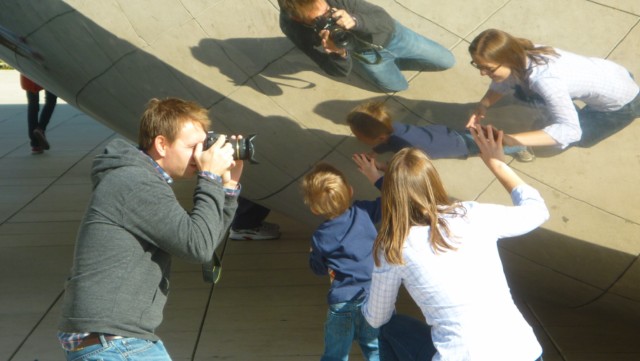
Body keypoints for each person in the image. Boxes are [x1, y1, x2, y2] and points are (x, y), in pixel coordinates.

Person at [57, 98, 243, 360]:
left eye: (203, 145)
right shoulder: (135, 183)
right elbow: (197, 247)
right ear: (161, 144)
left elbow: (204, 238)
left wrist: (228, 188)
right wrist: (209, 178)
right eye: (192, 146)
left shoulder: (137, 178)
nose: (200, 155)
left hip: (115, 341)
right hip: (115, 344)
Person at [362, 124, 550, 360]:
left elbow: (376, 317)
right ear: (435, 183)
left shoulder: (394, 246)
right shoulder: (472, 215)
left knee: (386, 329)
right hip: (524, 352)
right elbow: (537, 211)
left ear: (390, 195)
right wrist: (497, 163)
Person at [467, 28, 640, 149]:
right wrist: (483, 105)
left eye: (488, 68)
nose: (483, 73)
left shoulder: (546, 82)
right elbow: (504, 80)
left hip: (622, 103)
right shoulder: (524, 51)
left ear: (509, 58)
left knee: (585, 138)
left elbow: (572, 132)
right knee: (527, 93)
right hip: (615, 73)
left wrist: (511, 140)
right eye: (478, 65)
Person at [300, 156, 383, 361]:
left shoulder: (320, 236)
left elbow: (318, 269)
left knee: (335, 355)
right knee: (377, 351)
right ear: (351, 191)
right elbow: (394, 199)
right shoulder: (364, 212)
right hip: (375, 299)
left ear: (314, 209)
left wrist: (313, 254)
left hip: (342, 303)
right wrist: (376, 177)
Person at [278, 0, 455, 92]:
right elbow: (337, 71)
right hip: (366, 55)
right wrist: (339, 53)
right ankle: (392, 65)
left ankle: (399, 61)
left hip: (393, 37)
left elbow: (385, 21)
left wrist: (356, 21)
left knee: (447, 61)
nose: (328, 18)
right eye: (318, 19)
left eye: (327, 11)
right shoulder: (294, 28)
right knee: (397, 87)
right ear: (297, 18)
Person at [347, 100, 534, 164]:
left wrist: (387, 167)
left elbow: (411, 161)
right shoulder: (391, 127)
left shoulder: (402, 146)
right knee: (477, 137)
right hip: (446, 134)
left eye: (361, 138)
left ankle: (517, 146)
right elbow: (386, 143)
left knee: (486, 147)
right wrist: (375, 151)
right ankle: (510, 142)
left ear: (379, 137)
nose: (358, 139)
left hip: (457, 146)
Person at [20, 74, 57, 154]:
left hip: (29, 70)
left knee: (33, 104)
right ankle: (40, 128)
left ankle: (35, 144)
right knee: (51, 100)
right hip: (47, 70)